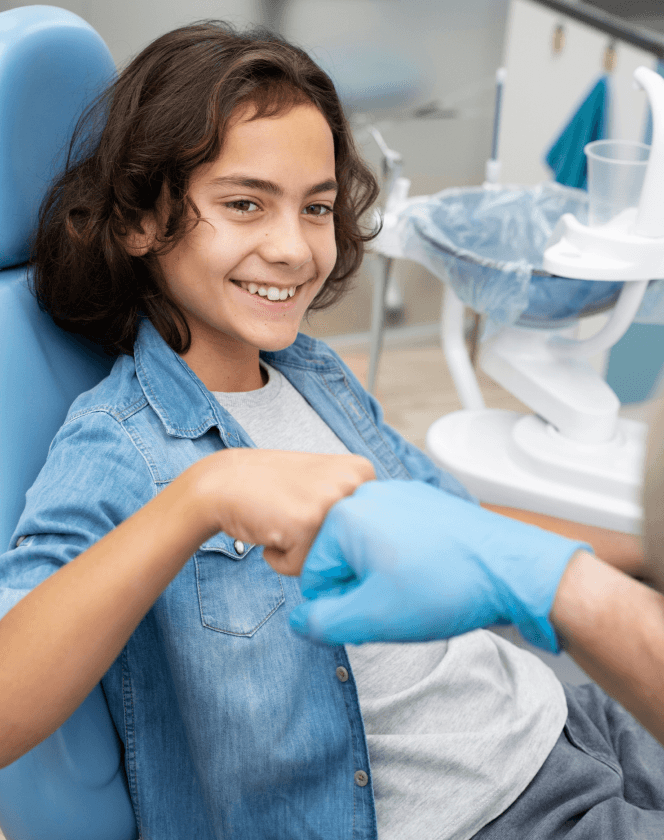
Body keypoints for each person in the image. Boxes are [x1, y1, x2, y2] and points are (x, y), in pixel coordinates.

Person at [2, 19, 664, 840]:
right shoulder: (116, 446)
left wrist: (642, 554)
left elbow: (461, 527)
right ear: (141, 222)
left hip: (563, 721)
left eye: (315, 208)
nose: (292, 248)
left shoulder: (313, 373)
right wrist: (201, 497)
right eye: (245, 204)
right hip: (497, 818)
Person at [291, 399, 664, 751]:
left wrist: (553, 573)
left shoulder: (319, 378)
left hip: (563, 714)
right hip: (497, 785)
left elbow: (457, 515)